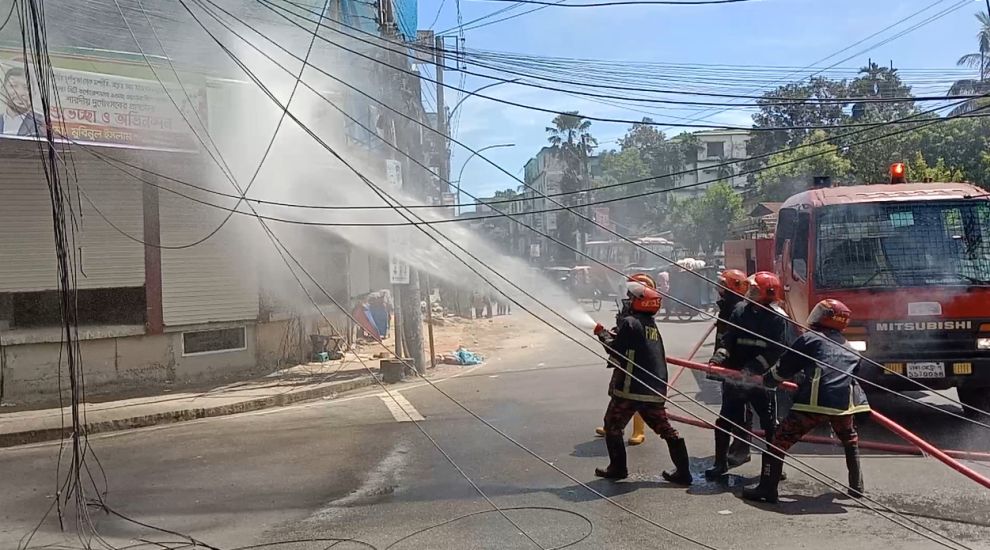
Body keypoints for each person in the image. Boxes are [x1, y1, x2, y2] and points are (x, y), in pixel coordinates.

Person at [742, 299, 870, 503]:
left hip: (814, 402)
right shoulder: (850, 347)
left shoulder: (811, 339)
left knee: (779, 441)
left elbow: (785, 366)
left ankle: (767, 488)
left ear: (824, 318)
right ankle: (857, 487)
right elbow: (853, 377)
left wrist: (767, 381)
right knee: (850, 439)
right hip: (844, 405)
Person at [593, 274, 692, 485]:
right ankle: (684, 472)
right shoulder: (649, 325)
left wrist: (602, 334)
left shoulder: (630, 323)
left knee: (612, 425)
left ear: (639, 302)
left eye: (631, 297)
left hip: (630, 389)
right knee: (665, 428)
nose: (627, 300)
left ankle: (617, 468)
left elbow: (616, 349)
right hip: (653, 390)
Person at [704, 271, 788, 481]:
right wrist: (718, 358)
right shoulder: (740, 310)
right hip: (735, 377)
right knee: (724, 421)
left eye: (754, 289)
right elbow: (728, 339)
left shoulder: (777, 318)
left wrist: (752, 369)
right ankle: (720, 463)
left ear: (766, 293)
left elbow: (775, 351)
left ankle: (774, 469)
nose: (750, 292)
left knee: (770, 425)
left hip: (761, 381)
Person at [593, 272, 653, 446]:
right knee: (616, 393)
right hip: (624, 363)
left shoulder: (642, 314)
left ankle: (638, 431)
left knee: (637, 397)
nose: (627, 296)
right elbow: (622, 328)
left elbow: (625, 340)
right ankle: (611, 425)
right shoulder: (629, 308)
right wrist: (614, 331)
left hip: (636, 364)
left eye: (631, 292)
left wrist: (604, 335)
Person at [713, 269, 756, 467]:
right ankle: (736, 447)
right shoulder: (729, 306)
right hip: (729, 365)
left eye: (723, 284)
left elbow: (732, 340)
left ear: (733, 287)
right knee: (734, 410)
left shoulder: (736, 308)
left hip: (737, 368)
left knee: (740, 411)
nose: (719, 288)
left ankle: (741, 450)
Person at [1, 67, 43, 137]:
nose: (20, 93)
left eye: (26, 88)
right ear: (3, 90)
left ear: (34, 93)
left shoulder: (42, 123)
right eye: (13, 86)